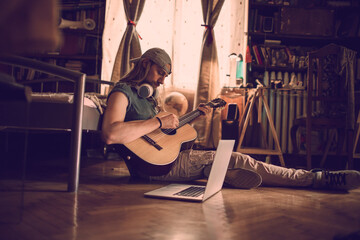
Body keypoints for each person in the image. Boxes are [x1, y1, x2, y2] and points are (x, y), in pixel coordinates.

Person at [102, 47, 360, 191]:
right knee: (237, 157)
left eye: (165, 76)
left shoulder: (148, 98)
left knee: (223, 158)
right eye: (160, 73)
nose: (161, 80)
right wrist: (159, 122)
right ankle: (316, 178)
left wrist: (188, 119)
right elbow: (112, 134)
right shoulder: (122, 92)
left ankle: (219, 173)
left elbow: (158, 136)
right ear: (145, 64)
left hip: (165, 160)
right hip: (153, 170)